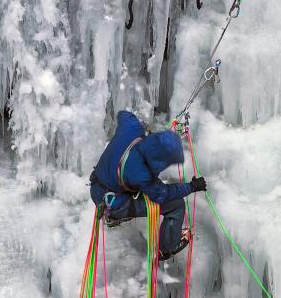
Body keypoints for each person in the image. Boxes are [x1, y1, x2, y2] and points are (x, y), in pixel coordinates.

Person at [89, 110, 207, 259]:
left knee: (128, 184)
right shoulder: (142, 174)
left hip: (97, 185)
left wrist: (143, 127)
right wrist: (191, 187)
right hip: (112, 203)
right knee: (176, 205)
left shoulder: (132, 128)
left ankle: (116, 210)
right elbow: (163, 194)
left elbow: (124, 115)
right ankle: (166, 248)